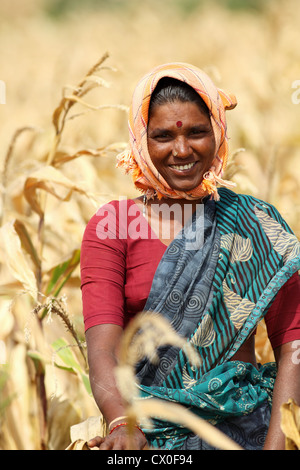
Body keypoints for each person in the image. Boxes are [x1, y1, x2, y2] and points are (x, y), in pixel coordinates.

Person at [80, 62, 300, 450]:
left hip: (244, 429)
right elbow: (102, 347)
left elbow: (293, 339)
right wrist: (120, 422)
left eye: (198, 132)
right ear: (140, 140)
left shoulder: (255, 222)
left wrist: (279, 442)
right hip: (145, 435)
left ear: (217, 131)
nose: (182, 150)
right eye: (163, 136)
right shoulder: (112, 226)